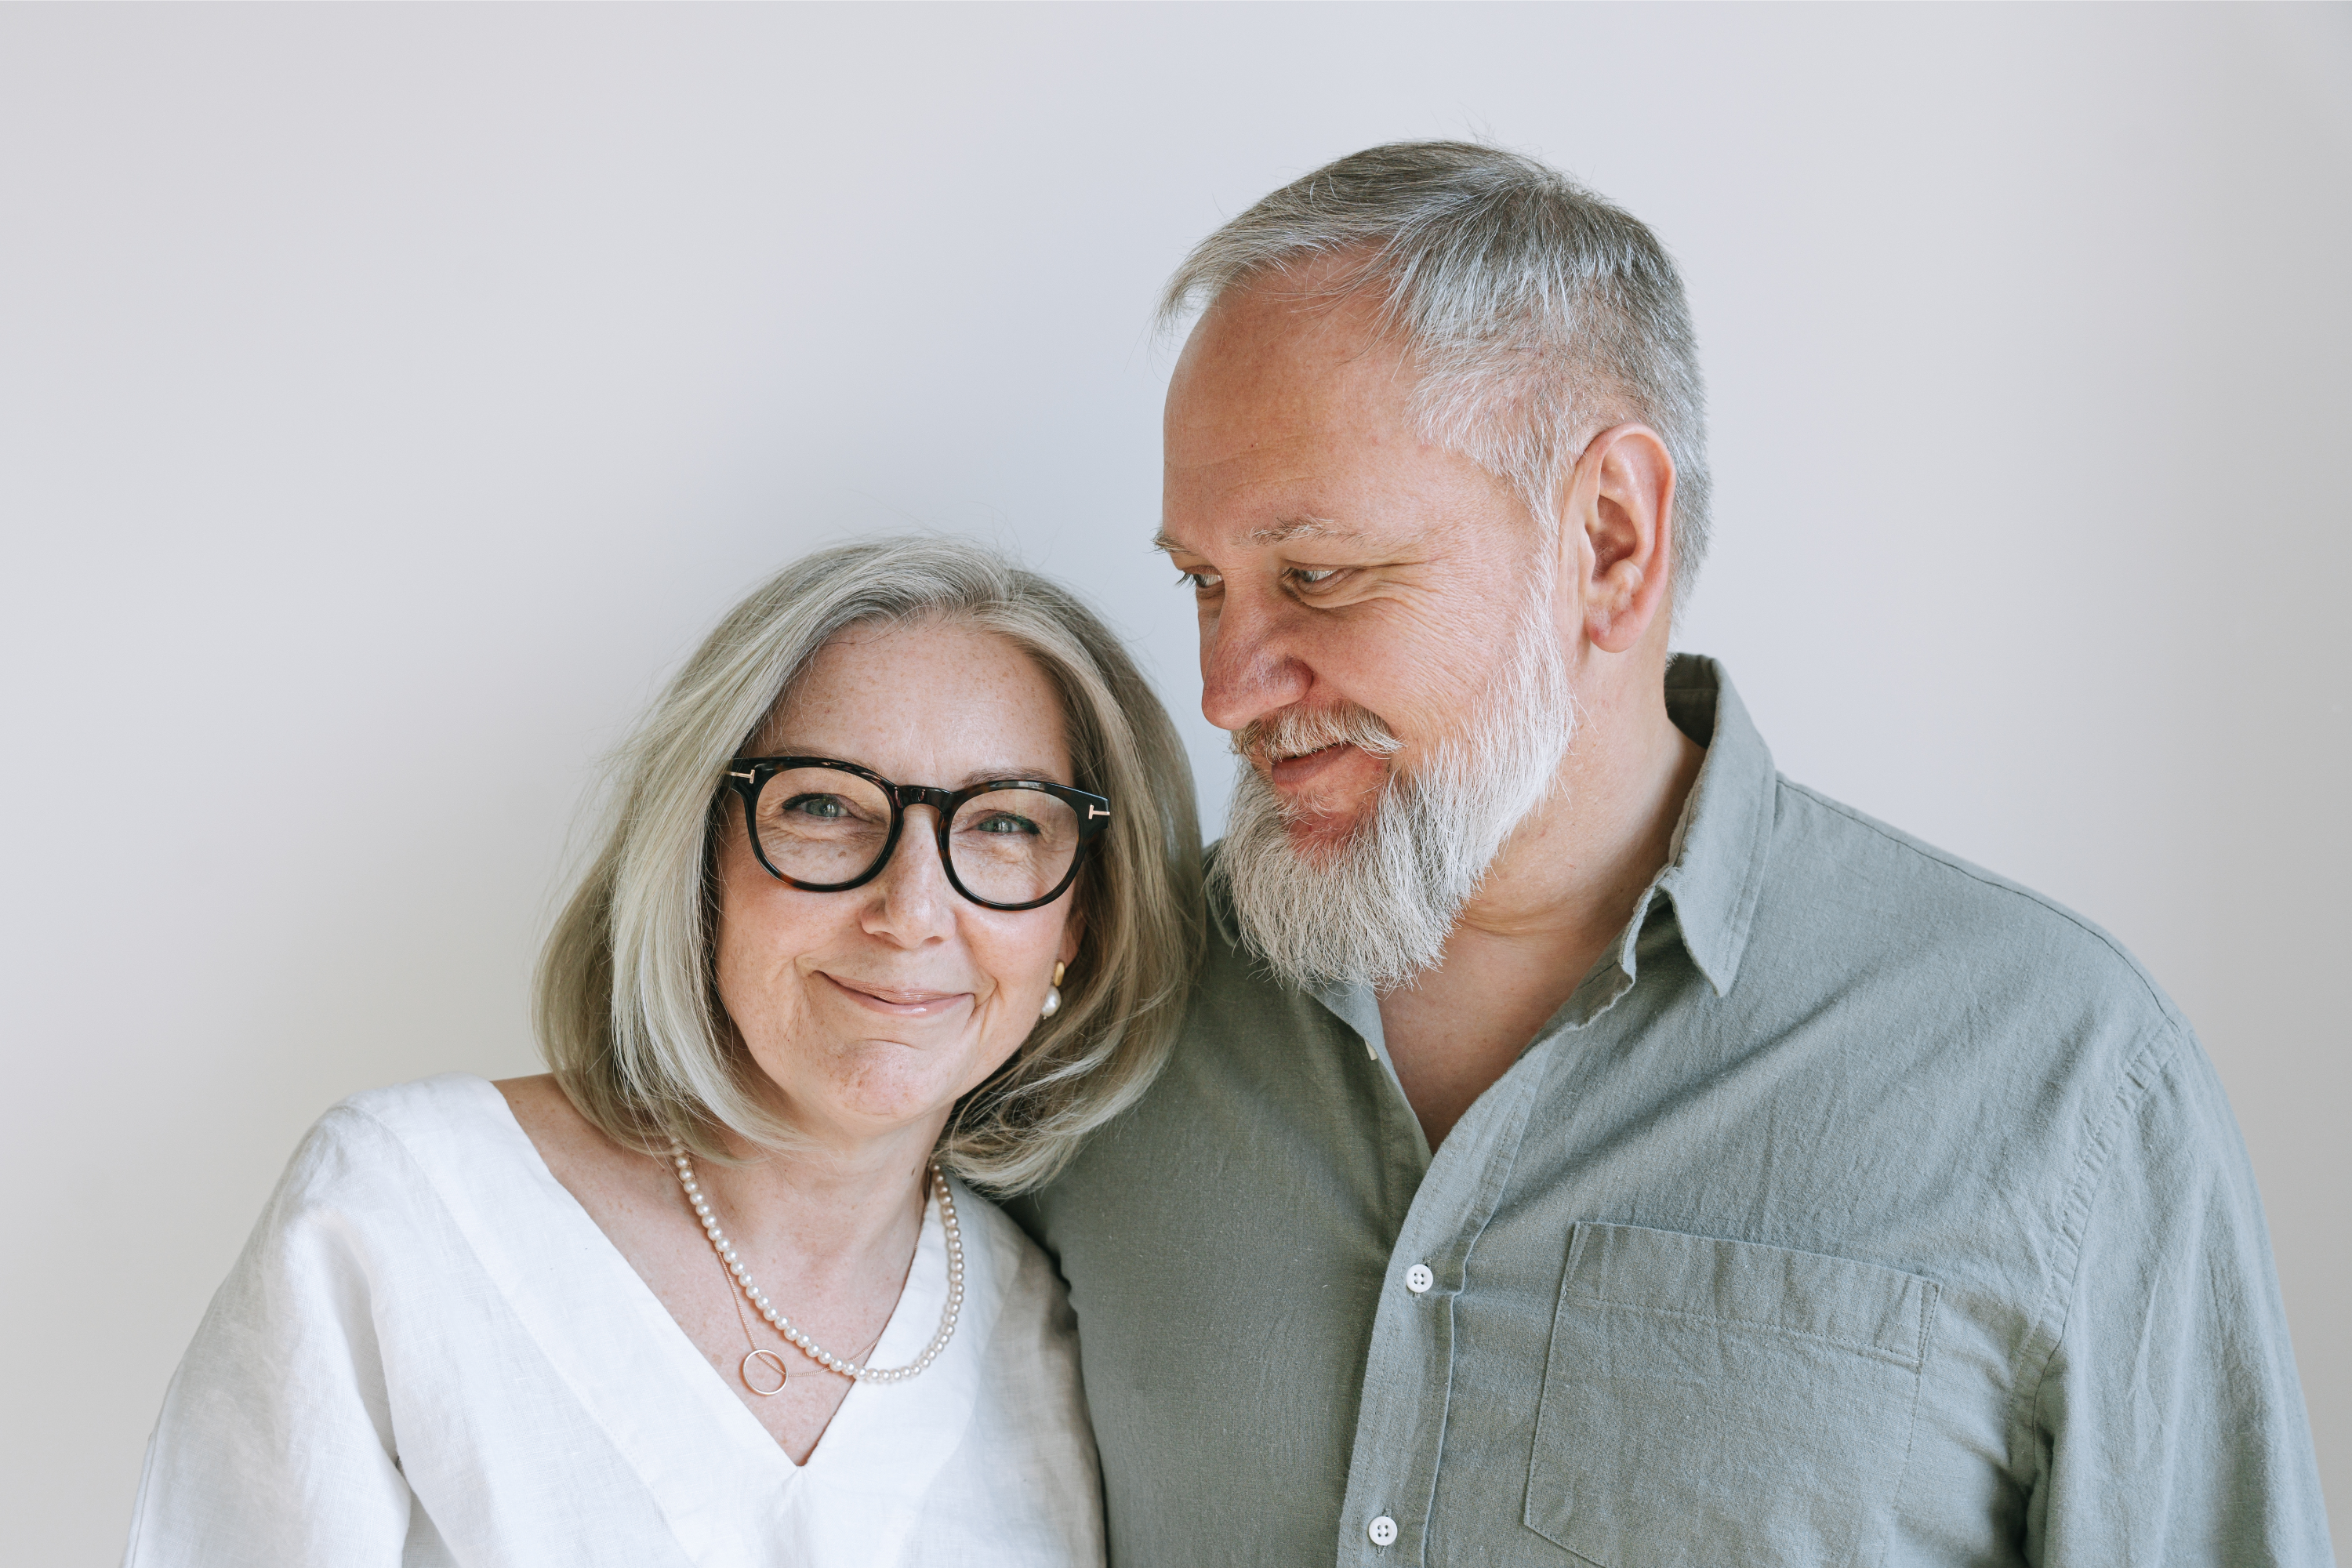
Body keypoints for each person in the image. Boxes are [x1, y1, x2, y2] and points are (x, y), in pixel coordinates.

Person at [1011, 142, 2336, 1564]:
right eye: (1203, 584)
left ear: (1610, 542)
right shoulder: (1097, 1008)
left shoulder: (2063, 1079)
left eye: (1317, 576)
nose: (1224, 687)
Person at [123, 537, 1201, 1566]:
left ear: (1082, 922)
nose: (914, 909)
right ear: (699, 864)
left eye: (1007, 823)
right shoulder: (401, 1213)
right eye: (824, 806)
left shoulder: (1059, 1338)